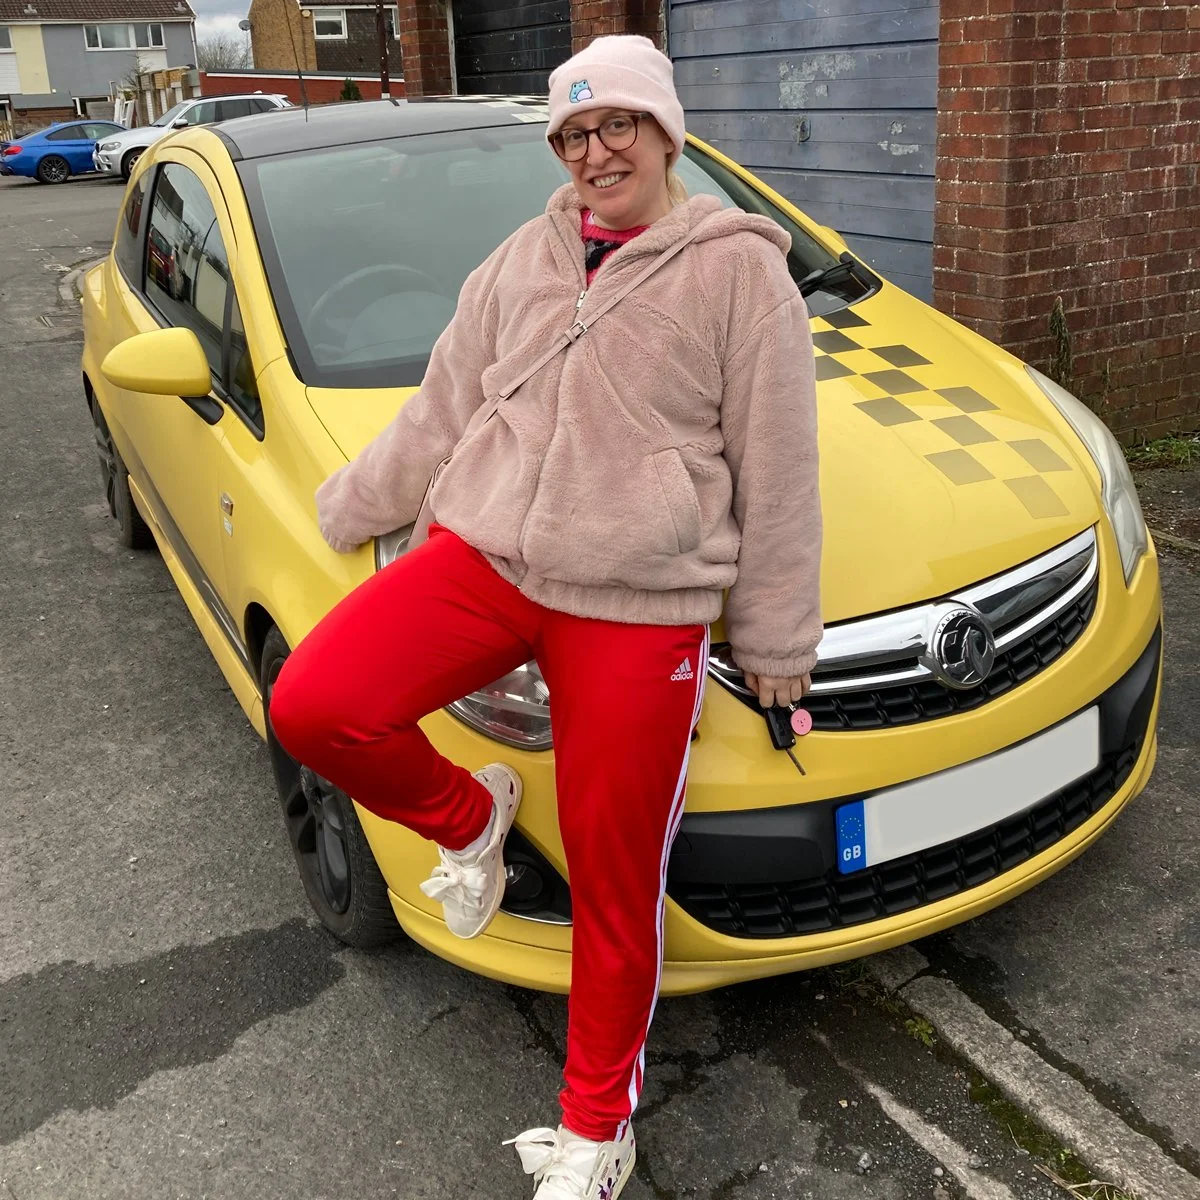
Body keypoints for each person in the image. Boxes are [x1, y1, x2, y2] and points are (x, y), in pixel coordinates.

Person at [269, 33, 821, 1200]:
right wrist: (355, 501)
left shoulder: (738, 273)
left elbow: (779, 468)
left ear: (663, 132)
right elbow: (440, 407)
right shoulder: (521, 257)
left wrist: (775, 642)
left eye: (616, 124)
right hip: (490, 559)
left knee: (616, 884)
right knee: (316, 702)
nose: (594, 150)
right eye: (573, 134)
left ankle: (595, 1129)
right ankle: (471, 821)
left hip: (638, 602)